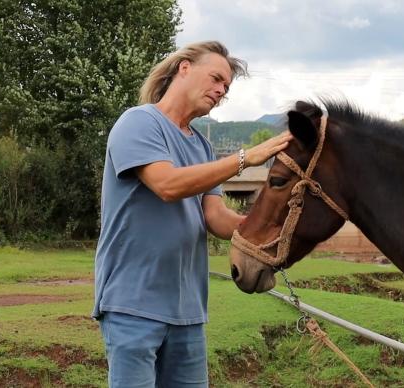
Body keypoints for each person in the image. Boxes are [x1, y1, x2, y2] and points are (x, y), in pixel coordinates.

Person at [92, 41, 292, 387]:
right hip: (132, 306)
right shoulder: (138, 123)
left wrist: (263, 228)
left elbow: (214, 217)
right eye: (216, 78)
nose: (220, 91)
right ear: (184, 67)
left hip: (188, 312)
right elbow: (166, 185)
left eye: (226, 88)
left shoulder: (202, 146)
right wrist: (244, 159)